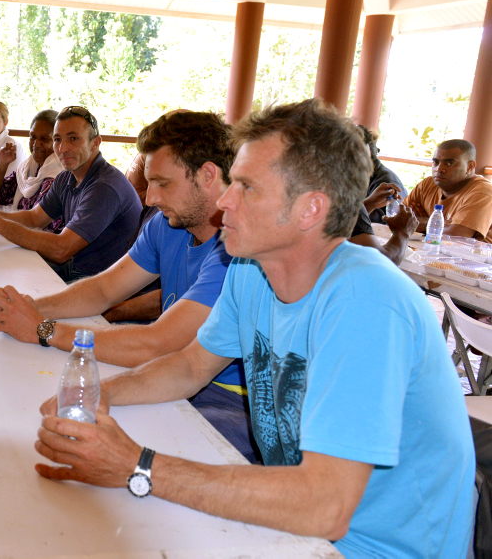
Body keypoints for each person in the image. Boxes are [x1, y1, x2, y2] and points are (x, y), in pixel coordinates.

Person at [34, 99, 475, 557]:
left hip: (363, 547)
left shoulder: (366, 301)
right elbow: (189, 366)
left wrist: (136, 465)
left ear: (309, 210)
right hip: (296, 529)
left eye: (245, 187)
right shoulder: (252, 268)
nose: (224, 201)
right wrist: (101, 393)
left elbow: (324, 507)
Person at [0, 111, 253, 461]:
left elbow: (159, 345)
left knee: (78, 445)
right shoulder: (166, 225)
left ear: (207, 175)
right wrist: (32, 308)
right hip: (175, 376)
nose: (149, 198)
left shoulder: (239, 248)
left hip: (232, 404)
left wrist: (43, 330)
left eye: (162, 183)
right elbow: (103, 291)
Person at [0, 106, 141, 282]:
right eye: (57, 139)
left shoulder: (104, 187)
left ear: (95, 143)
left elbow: (61, 250)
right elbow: (35, 218)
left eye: (73, 139)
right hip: (75, 269)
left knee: (6, 284)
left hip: (102, 283)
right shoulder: (67, 177)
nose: (63, 148)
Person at [0, 109, 64, 231]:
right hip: (21, 238)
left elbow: (35, 222)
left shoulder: (57, 177)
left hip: (39, 246)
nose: (36, 144)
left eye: (44, 139)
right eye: (33, 137)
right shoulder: (30, 167)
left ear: (58, 141)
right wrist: (2, 165)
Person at [405, 138, 492, 241]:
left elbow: (455, 236)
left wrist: (420, 223)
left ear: (470, 166)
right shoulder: (428, 184)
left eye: (450, 163)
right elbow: (398, 219)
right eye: (436, 162)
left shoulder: (482, 192)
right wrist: (440, 224)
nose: (439, 169)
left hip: (473, 256)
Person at [358, 125, 406, 223]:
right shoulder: (345, 176)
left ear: (368, 152)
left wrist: (369, 204)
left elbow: (384, 223)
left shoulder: (386, 181)